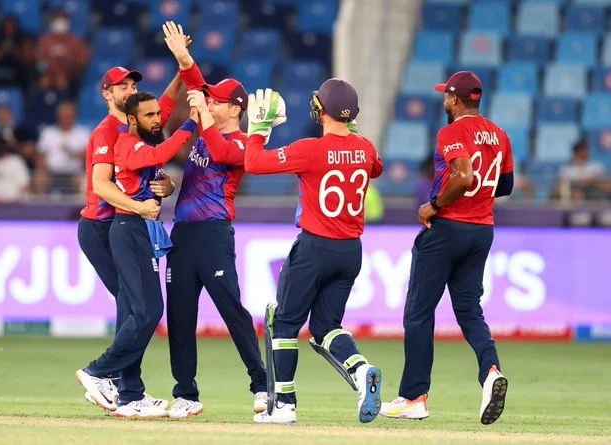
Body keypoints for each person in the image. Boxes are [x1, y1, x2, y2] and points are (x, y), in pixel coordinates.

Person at [244, 80, 384, 425]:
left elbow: (254, 163)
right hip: (350, 251)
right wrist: (351, 135)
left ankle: (284, 406)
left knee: (284, 323)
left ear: (321, 110)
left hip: (315, 247)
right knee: (326, 327)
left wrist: (258, 129)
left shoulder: (310, 149)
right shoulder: (365, 148)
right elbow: (376, 168)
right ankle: (361, 369)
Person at [380, 71, 513, 425]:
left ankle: (414, 397)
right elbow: (505, 186)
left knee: (419, 312)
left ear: (454, 99)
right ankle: (491, 371)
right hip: (481, 230)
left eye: (446, 96)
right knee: (469, 310)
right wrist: (476, 200)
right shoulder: (500, 135)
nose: (444, 101)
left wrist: (434, 205)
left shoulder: (451, 132)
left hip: (447, 230)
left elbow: (464, 176)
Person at [154, 21, 267, 418]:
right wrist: (184, 59)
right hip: (182, 235)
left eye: (217, 102)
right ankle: (186, 394)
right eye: (210, 101)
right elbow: (196, 85)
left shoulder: (244, 143)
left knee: (231, 310)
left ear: (235, 108)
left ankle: (262, 386)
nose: (209, 104)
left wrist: (202, 112)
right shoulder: (205, 131)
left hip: (214, 234)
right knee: (179, 317)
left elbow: (219, 153)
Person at [76, 91, 199, 419]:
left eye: (158, 114)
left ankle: (130, 395)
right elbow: (163, 151)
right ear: (132, 120)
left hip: (139, 230)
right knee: (146, 310)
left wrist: (166, 186)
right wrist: (191, 122)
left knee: (146, 311)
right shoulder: (127, 144)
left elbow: (154, 169)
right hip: (128, 229)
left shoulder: (141, 145)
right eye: (149, 115)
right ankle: (98, 372)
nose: (157, 119)